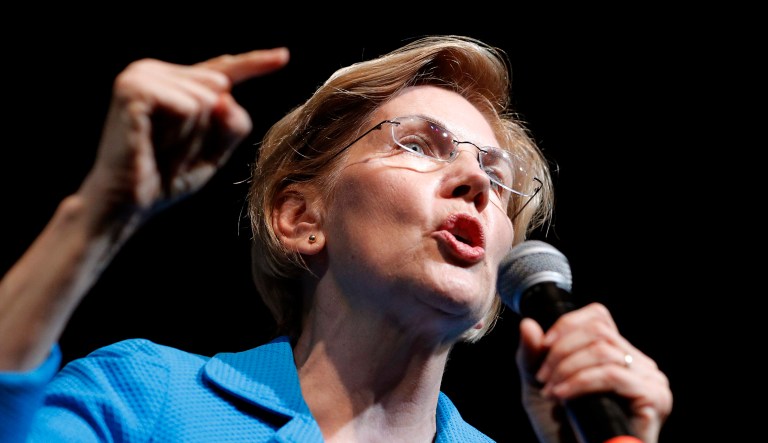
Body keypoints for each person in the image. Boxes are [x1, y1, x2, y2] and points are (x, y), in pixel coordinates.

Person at [0, 35, 672, 442]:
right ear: (301, 218)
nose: (473, 177)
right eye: (421, 144)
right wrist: (96, 215)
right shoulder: (150, 397)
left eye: (496, 178)